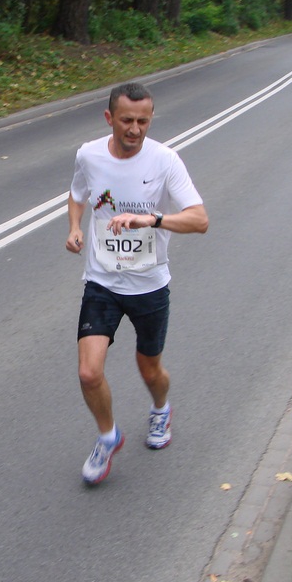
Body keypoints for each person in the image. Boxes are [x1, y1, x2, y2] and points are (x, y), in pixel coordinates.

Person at [66, 82, 208, 485]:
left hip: (149, 286)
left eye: (143, 121)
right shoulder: (88, 155)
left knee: (149, 370)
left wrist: (155, 219)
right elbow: (77, 194)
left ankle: (160, 410)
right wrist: (76, 227)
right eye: (127, 120)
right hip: (102, 283)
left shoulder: (165, 161)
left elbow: (200, 220)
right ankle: (108, 437)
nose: (135, 129)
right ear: (109, 118)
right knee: (89, 373)